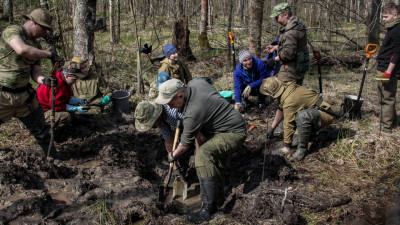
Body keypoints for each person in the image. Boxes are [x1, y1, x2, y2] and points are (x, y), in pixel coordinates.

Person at [155, 78, 247, 223]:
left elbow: (184, 144)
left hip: (233, 132)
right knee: (214, 164)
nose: (171, 107)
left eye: (171, 104)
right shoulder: (194, 83)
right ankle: (219, 197)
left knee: (203, 155)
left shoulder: (193, 112)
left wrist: (172, 155)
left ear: (180, 96)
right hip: (225, 126)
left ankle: (208, 209)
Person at [0, 8, 63, 154]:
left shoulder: (37, 46)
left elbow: (35, 73)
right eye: (44, 28)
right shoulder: (13, 31)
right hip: (2, 95)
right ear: (34, 23)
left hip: (24, 98)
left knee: (42, 131)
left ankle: (53, 161)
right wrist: (49, 55)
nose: (45, 33)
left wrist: (44, 81)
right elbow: (22, 50)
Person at [260, 77, 334, 161]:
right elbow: (281, 109)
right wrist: (272, 128)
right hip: (312, 112)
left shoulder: (289, 100)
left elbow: (289, 123)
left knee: (295, 138)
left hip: (324, 114)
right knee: (283, 128)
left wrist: (286, 146)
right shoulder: (287, 88)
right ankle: (310, 133)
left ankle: (303, 149)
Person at [266, 3, 309, 85]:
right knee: (295, 92)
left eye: (277, 17)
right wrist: (275, 47)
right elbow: (293, 46)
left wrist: (274, 60)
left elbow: (288, 54)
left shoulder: (291, 32)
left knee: (282, 92)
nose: (276, 21)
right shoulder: (298, 24)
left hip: (291, 70)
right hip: (299, 66)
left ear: (285, 15)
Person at [37, 61, 86, 129]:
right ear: (66, 75)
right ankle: (49, 132)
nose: (75, 81)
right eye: (74, 79)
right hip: (41, 112)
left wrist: (80, 101)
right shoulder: (57, 84)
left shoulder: (65, 81)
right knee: (65, 117)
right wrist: (76, 108)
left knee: (73, 112)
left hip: (48, 108)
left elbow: (65, 98)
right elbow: (56, 107)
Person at [375, 2, 400, 132]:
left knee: (387, 98)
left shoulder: (397, 30)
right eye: (383, 17)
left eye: (386, 17)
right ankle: (393, 120)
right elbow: (390, 48)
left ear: (395, 15)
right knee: (382, 96)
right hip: (382, 66)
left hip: (387, 70)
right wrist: (380, 55)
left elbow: (397, 53)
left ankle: (386, 127)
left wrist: (388, 72)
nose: (383, 20)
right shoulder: (392, 28)